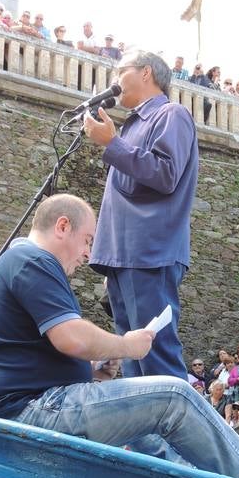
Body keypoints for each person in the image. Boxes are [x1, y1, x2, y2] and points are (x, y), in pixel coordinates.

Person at [0, 193, 239, 478]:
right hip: (30, 411)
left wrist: (91, 370)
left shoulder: (27, 262)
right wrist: (128, 345)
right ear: (62, 226)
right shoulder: (31, 260)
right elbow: (72, 337)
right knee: (174, 396)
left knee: (144, 414)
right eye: (87, 240)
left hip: (33, 405)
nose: (88, 253)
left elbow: (32, 356)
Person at [84, 50, 199, 380]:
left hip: (150, 252)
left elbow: (165, 174)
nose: (114, 80)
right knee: (132, 359)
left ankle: (173, 432)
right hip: (125, 256)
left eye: (121, 71)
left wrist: (113, 145)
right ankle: (145, 431)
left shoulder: (170, 114)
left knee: (155, 356)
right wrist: (111, 260)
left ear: (146, 72)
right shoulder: (134, 124)